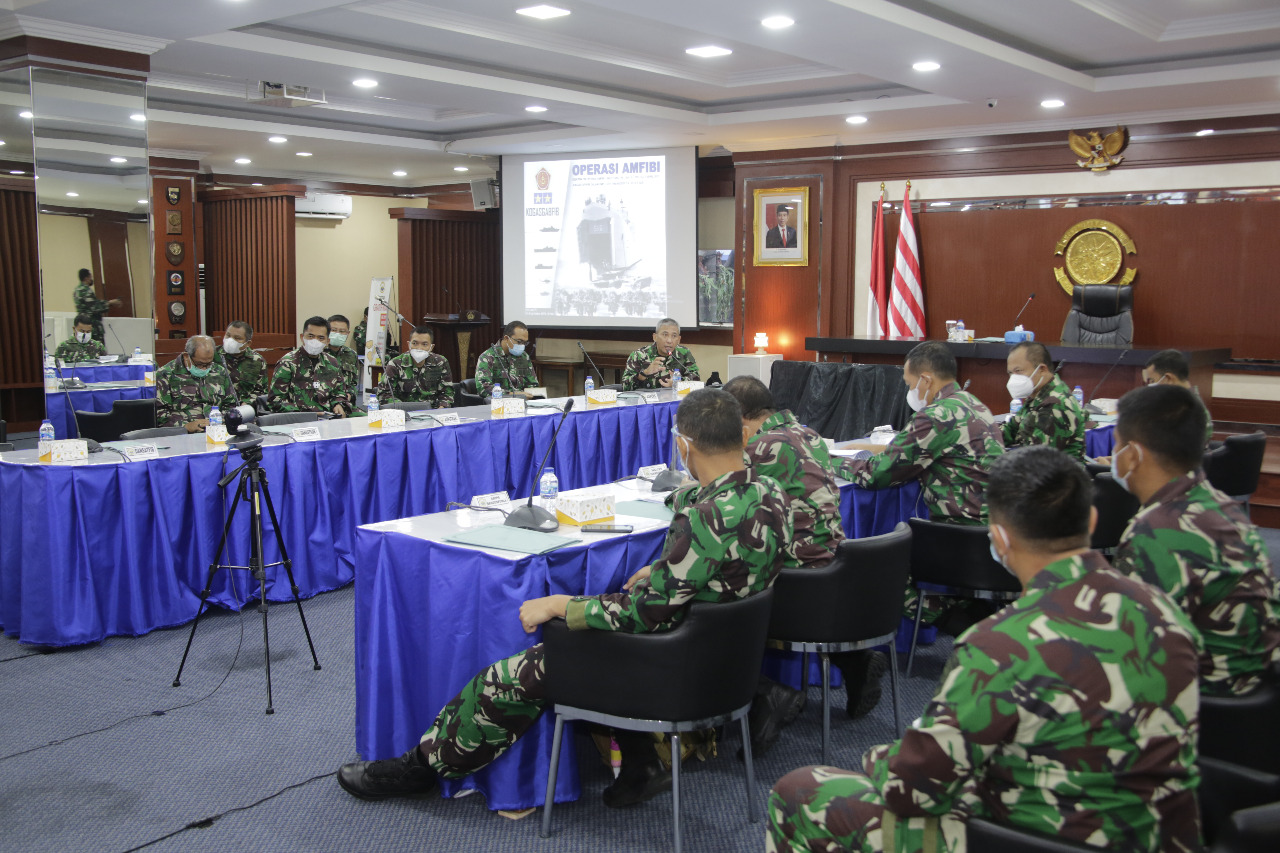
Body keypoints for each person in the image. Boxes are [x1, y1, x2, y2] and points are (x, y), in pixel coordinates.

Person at [335, 389, 793, 810]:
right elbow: (732, 565)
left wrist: (562, 606)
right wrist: (662, 569)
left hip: (673, 664)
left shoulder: (706, 516)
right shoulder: (769, 491)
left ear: (684, 445)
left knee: (514, 672)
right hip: (730, 660)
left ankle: (421, 767)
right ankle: (639, 760)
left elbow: (645, 615)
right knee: (607, 609)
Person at [767, 446, 1204, 853]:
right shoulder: (1166, 611)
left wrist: (879, 757)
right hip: (1160, 834)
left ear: (999, 537)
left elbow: (915, 787)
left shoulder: (1000, 644)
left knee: (800, 792)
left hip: (1033, 835)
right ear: (1091, 522)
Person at [723, 376, 881, 753]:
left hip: (796, 577)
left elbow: (722, 496)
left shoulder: (759, 447)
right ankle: (855, 659)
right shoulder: (807, 432)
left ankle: (767, 694)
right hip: (830, 570)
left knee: (710, 593)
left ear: (742, 421)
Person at [1110, 384, 1280, 697]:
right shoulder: (1216, 502)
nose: (1113, 456)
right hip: (1252, 682)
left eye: (1116, 445)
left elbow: (1132, 655)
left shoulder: (1156, 532)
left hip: (1208, 699)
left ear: (1132, 454)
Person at [832, 341, 1002, 525]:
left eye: (910, 384)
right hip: (993, 527)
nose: (910, 391)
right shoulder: (974, 403)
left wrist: (829, 461)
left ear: (926, 380)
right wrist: (879, 448)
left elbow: (877, 474)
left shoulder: (935, 416)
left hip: (959, 531)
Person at [1002, 341, 1086, 461]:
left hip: (1056, 477)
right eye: (1010, 373)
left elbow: (1038, 460)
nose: (1013, 378)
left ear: (1042, 369)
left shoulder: (1056, 404)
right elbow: (1010, 431)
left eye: (1018, 371)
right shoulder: (1037, 396)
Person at [266, 316, 355, 416]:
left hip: (328, 417)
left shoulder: (332, 362)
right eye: (311, 336)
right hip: (300, 420)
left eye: (321, 338)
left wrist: (338, 404)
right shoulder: (288, 363)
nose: (315, 341)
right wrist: (308, 415)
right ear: (302, 337)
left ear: (327, 341)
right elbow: (275, 401)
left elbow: (339, 392)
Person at [155, 335, 237, 433]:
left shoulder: (220, 371)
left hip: (217, 430)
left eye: (209, 364)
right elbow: (159, 413)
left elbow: (231, 405)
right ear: (186, 357)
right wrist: (185, 427)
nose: (204, 369)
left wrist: (221, 421)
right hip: (182, 434)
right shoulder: (165, 374)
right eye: (200, 364)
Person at [1143, 349, 1215, 447]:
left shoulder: (1185, 411)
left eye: (1152, 380)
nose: (1150, 385)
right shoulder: (1182, 403)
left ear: (1168, 378)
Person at [376, 325, 454, 408]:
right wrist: (402, 408)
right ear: (409, 344)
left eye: (424, 344)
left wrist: (441, 409)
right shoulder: (395, 364)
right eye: (415, 343)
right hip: (403, 412)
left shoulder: (440, 362)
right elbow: (384, 394)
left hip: (433, 412)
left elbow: (447, 392)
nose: (419, 348)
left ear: (431, 347)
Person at [622, 318, 700, 391]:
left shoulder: (684, 353)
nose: (669, 340)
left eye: (674, 336)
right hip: (648, 403)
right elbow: (625, 387)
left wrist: (678, 383)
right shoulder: (639, 355)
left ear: (679, 339)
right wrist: (644, 374)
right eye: (665, 335)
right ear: (655, 337)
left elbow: (696, 379)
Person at [474, 320, 538, 397]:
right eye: (519, 341)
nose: (522, 345)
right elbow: (483, 389)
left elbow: (533, 385)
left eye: (525, 343)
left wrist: (534, 395)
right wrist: (513, 395)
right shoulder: (487, 357)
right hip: (498, 404)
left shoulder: (524, 357)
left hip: (522, 404)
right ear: (507, 338)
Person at [215, 321, 268, 406]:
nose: (230, 340)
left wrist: (247, 404)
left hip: (243, 410)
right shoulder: (212, 355)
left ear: (248, 343)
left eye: (237, 338)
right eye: (228, 335)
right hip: (215, 409)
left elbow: (261, 391)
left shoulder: (257, 361)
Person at [72, 268, 120, 344]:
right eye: (90, 277)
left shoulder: (77, 290)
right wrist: (110, 303)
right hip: (92, 325)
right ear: (86, 278)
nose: (92, 279)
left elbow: (92, 303)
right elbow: (94, 307)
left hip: (81, 324)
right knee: (97, 349)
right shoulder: (86, 290)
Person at [327, 314, 361, 400]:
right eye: (333, 330)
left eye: (342, 331)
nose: (337, 334)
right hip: (324, 402)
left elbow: (354, 383)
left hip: (346, 401)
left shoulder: (351, 354)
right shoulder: (319, 353)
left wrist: (350, 395)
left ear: (347, 333)